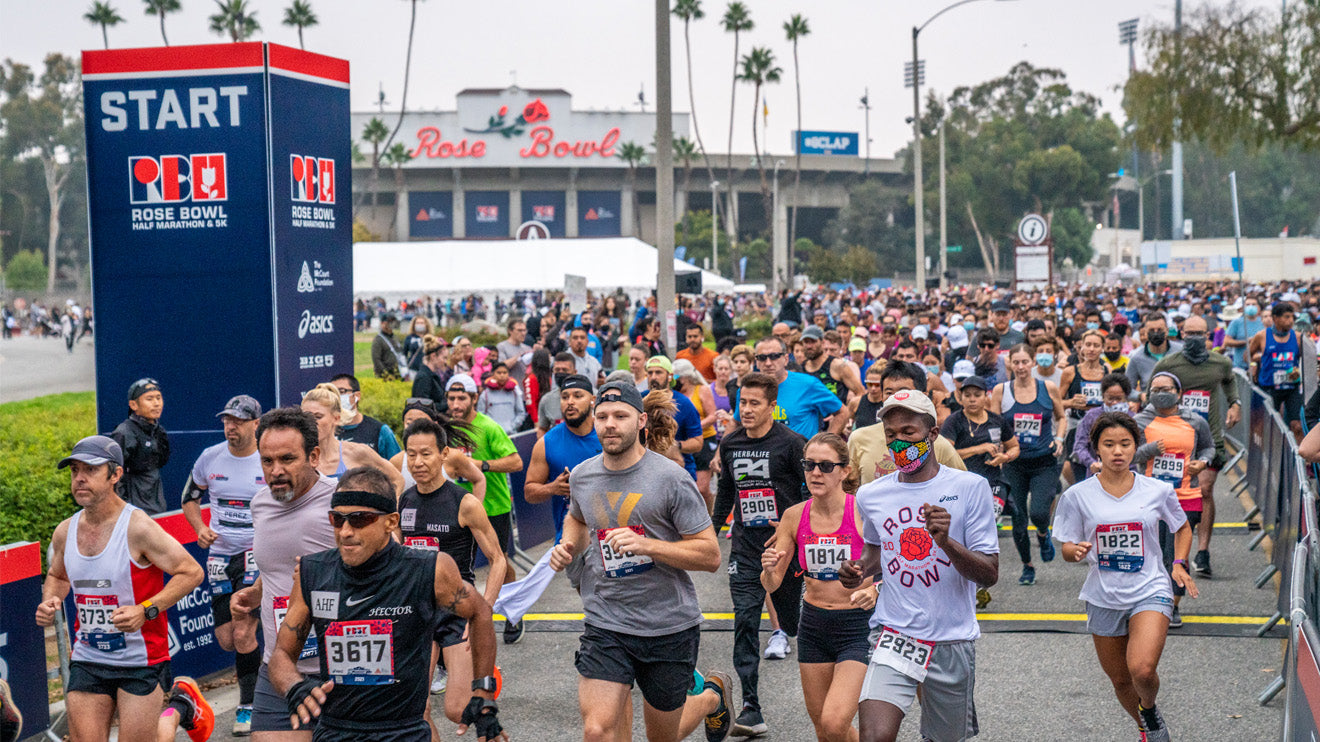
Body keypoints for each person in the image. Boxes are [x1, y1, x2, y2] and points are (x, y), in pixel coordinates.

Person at [269, 468, 507, 742]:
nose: (345, 531)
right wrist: (293, 686)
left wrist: (483, 692)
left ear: (391, 522)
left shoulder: (429, 569)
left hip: (404, 731)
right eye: (337, 519)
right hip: (336, 731)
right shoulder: (313, 573)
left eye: (360, 519)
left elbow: (479, 611)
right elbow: (281, 656)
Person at [548, 380, 727, 742]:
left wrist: (649, 546)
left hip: (667, 625)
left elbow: (710, 556)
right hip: (606, 620)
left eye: (620, 416)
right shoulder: (582, 475)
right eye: (602, 416)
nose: (609, 424)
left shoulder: (671, 479)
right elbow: (579, 519)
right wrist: (568, 545)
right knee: (597, 730)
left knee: (664, 736)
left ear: (641, 421)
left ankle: (711, 698)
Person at [840, 390, 1000, 742]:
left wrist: (946, 543)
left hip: (951, 638)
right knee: (874, 736)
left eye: (908, 432)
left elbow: (989, 574)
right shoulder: (872, 494)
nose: (899, 442)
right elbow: (876, 551)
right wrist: (857, 570)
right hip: (894, 633)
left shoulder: (970, 488)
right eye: (891, 435)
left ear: (932, 433)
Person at [35, 435, 209, 742]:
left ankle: (179, 707)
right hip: (88, 657)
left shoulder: (138, 527)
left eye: (90, 470)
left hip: (140, 660)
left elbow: (191, 572)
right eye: (75, 471)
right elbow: (59, 577)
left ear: (115, 475)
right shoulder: (65, 531)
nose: (79, 479)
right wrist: (51, 601)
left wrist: (146, 610)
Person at [1052, 412, 1198, 742]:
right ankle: (1144, 726)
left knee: (1142, 669)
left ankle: (1148, 708)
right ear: (1096, 449)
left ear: (1136, 448)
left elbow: (1183, 527)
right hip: (1103, 594)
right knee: (1120, 681)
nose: (1118, 451)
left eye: (1125, 444)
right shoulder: (1078, 495)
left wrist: (1178, 562)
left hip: (1150, 587)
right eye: (1109, 444)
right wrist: (1074, 552)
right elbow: (1066, 545)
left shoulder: (1157, 490)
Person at [225, 407, 339, 738]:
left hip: (339, 668)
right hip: (281, 666)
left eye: (287, 459)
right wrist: (254, 594)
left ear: (314, 455)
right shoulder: (260, 504)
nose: (275, 471)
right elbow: (279, 564)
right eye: (267, 461)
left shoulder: (341, 506)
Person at [760, 433, 877, 742]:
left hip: (857, 625)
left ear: (845, 471)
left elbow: (893, 568)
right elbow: (773, 582)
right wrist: (768, 570)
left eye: (826, 466)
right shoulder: (794, 516)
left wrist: (876, 590)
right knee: (824, 732)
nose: (815, 473)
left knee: (835, 723)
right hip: (813, 625)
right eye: (809, 465)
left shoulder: (863, 512)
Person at [710, 372, 808, 736]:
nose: (746, 409)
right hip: (746, 547)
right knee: (746, 620)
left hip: (785, 548)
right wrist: (711, 530)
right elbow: (725, 493)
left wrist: (800, 538)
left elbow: (809, 493)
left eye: (755, 403)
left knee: (793, 624)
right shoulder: (731, 443)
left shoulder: (792, 444)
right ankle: (751, 707)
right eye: (742, 402)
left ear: (772, 406)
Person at [398, 419, 509, 732]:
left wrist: (483, 613)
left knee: (458, 710)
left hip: (458, 611)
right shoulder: (404, 501)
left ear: (444, 454)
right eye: (411, 454)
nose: (418, 462)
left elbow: (498, 559)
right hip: (417, 612)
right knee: (415, 710)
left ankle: (486, 680)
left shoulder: (465, 503)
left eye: (426, 454)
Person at [182, 394, 265, 736]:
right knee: (227, 639)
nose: (231, 426)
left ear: (255, 424)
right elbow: (189, 497)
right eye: (227, 420)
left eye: (239, 421)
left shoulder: (267, 460)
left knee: (244, 631)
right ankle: (264, 665)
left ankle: (248, 705)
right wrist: (200, 528)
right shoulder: (210, 457)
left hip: (256, 553)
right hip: (219, 556)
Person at [1151, 314, 1240, 579]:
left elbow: (1230, 382)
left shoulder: (1220, 363)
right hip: (1176, 440)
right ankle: (1180, 550)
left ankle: (1202, 550)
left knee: (1204, 489)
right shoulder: (1169, 364)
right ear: (1181, 334)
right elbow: (1151, 394)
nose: (1194, 339)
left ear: (1208, 335)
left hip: (1208, 437)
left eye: (1199, 334)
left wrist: (1235, 404)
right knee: (1179, 495)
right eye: (1189, 334)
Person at [444, 373, 525, 640]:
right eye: (451, 398)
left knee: (499, 561)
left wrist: (481, 466)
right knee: (458, 565)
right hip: (458, 509)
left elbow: (515, 462)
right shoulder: (444, 429)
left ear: (474, 399)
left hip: (492, 507)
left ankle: (513, 612)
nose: (455, 404)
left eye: (461, 398)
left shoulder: (488, 427)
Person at [1132, 372, 1215, 628]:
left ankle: (1173, 606)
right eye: (1154, 389)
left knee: (1176, 555)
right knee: (1151, 553)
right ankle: (1148, 602)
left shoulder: (1195, 421)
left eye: (1165, 388)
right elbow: (1129, 454)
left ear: (1178, 393)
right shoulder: (1139, 421)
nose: (1160, 393)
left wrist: (1202, 463)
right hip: (1150, 497)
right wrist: (1150, 450)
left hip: (1185, 497)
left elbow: (1208, 448)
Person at [991, 344, 1067, 586]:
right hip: (1014, 464)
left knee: (1039, 513)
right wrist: (997, 448)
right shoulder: (1001, 391)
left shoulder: (1048, 388)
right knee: (1019, 520)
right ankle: (1027, 566)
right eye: (1017, 362)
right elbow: (994, 425)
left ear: (1033, 363)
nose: (1021, 367)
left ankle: (1043, 534)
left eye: (1025, 362)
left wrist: (1059, 438)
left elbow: (1061, 417)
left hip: (1044, 461)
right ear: (1010, 364)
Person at [849, 362, 965, 487]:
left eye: (904, 392)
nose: (895, 398)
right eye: (889, 392)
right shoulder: (859, 439)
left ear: (924, 396)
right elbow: (849, 488)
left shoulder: (939, 445)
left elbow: (962, 488)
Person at [524, 374, 600, 542]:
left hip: (613, 533)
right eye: (565, 397)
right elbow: (529, 492)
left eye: (578, 396)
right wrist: (552, 488)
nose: (570, 402)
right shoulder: (546, 443)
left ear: (592, 400)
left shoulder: (608, 433)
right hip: (571, 540)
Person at [942, 375, 1019, 524]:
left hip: (993, 482)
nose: (972, 399)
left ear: (986, 397)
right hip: (962, 483)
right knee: (966, 525)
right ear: (960, 398)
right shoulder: (953, 421)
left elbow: (1014, 447)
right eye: (967, 395)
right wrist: (979, 448)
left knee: (988, 522)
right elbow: (945, 455)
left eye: (977, 395)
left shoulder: (997, 420)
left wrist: (1006, 457)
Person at [301, 383, 405, 491]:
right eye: (306, 417)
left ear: (336, 418)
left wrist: (391, 507)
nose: (312, 422)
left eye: (318, 417)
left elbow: (397, 479)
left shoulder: (357, 452)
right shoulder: (298, 458)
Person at [747, 337, 847, 438]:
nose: (768, 363)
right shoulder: (748, 388)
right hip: (763, 451)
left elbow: (842, 412)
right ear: (756, 362)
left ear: (786, 359)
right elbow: (736, 422)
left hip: (800, 451)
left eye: (774, 356)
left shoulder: (808, 384)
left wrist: (825, 445)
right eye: (762, 358)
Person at [110, 377, 171, 515]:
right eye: (149, 399)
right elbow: (112, 475)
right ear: (133, 405)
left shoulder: (159, 431)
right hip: (132, 511)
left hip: (157, 507)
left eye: (158, 398)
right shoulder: (124, 433)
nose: (156, 403)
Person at [644, 356, 705, 480]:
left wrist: (674, 446)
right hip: (647, 471)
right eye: (650, 373)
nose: (653, 377)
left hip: (680, 470)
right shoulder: (641, 400)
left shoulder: (683, 404)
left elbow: (698, 442)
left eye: (658, 372)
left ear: (670, 376)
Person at [1250, 301, 1305, 438]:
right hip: (1269, 387)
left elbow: (1308, 360)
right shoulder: (1262, 336)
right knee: (1265, 425)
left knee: (1297, 425)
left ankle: (1300, 457)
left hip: (1292, 386)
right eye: (1286, 317)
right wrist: (1255, 364)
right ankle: (1263, 456)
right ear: (1275, 318)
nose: (1291, 321)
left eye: (1292, 317)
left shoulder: (1298, 337)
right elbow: (1248, 355)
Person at [1060, 330, 1107, 484]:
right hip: (1076, 423)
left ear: (1102, 348)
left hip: (1101, 424)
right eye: (1088, 345)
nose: (1091, 349)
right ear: (1081, 347)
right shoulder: (1070, 372)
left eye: (1096, 345)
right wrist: (1071, 402)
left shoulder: (1107, 371)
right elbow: (1057, 402)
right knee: (1073, 465)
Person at [674, 358, 720, 510]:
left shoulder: (702, 389)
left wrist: (693, 426)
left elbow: (712, 415)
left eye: (676, 377)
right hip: (684, 442)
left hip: (704, 439)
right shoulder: (675, 394)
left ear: (684, 377)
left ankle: (709, 515)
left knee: (701, 488)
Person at [1073, 374, 1136, 482]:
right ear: (1103, 396)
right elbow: (1079, 447)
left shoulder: (1134, 418)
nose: (1115, 403)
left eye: (1119, 399)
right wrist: (1091, 462)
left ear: (1126, 397)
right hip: (1097, 476)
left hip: (1128, 476)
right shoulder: (1092, 416)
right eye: (1110, 399)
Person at [331, 374, 403, 460]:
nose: (337, 397)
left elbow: (398, 465)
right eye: (332, 393)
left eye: (342, 392)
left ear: (357, 395)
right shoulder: (327, 430)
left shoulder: (379, 431)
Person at [800, 326, 865, 407]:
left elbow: (861, 393)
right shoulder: (800, 369)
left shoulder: (838, 366)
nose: (809, 346)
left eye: (813, 342)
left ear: (822, 342)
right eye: (806, 342)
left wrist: (845, 413)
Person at [1126, 314, 1182, 396]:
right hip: (1150, 405)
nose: (1156, 333)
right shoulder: (1136, 358)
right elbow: (1128, 390)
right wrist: (1140, 396)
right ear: (1145, 332)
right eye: (1151, 330)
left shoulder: (1180, 351)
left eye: (1159, 330)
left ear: (1167, 331)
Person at [478, 361, 528, 434]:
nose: (502, 375)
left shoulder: (514, 393)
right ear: (492, 374)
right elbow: (481, 415)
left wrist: (512, 426)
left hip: (511, 433)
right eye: (499, 373)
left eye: (505, 373)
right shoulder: (485, 394)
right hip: (492, 434)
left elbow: (521, 413)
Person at [411, 334, 451, 413]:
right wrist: (447, 405)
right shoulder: (424, 377)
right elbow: (423, 406)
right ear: (433, 356)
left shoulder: (432, 375)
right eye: (444, 358)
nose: (446, 362)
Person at [1224, 297, 1265, 371]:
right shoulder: (1236, 322)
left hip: (1260, 366)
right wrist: (1245, 342)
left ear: (1259, 307)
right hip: (1240, 366)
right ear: (1243, 307)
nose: (1251, 306)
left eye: (1253, 304)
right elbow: (1227, 341)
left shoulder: (1263, 322)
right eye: (1248, 304)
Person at [849, 363, 887, 431]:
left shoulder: (889, 403)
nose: (873, 388)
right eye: (869, 384)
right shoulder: (856, 402)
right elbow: (845, 422)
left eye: (877, 385)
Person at [523, 348, 553, 430]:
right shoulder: (531, 379)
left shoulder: (549, 377)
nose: (551, 360)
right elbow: (531, 404)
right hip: (536, 421)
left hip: (548, 417)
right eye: (549, 358)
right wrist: (537, 422)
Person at [497, 318, 533, 385]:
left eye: (524, 330)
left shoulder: (528, 348)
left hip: (524, 387)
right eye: (519, 330)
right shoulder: (502, 347)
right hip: (509, 387)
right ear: (510, 331)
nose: (523, 333)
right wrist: (518, 357)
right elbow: (501, 367)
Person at [569, 325, 604, 390]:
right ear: (569, 342)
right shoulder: (564, 361)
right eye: (575, 338)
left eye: (582, 338)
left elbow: (603, 381)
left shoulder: (594, 362)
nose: (579, 341)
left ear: (587, 341)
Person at [372, 314, 405, 380]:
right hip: (386, 377)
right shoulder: (378, 340)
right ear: (382, 323)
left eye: (392, 322)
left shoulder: (396, 338)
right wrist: (386, 374)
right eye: (389, 322)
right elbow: (376, 359)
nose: (391, 325)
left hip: (399, 374)